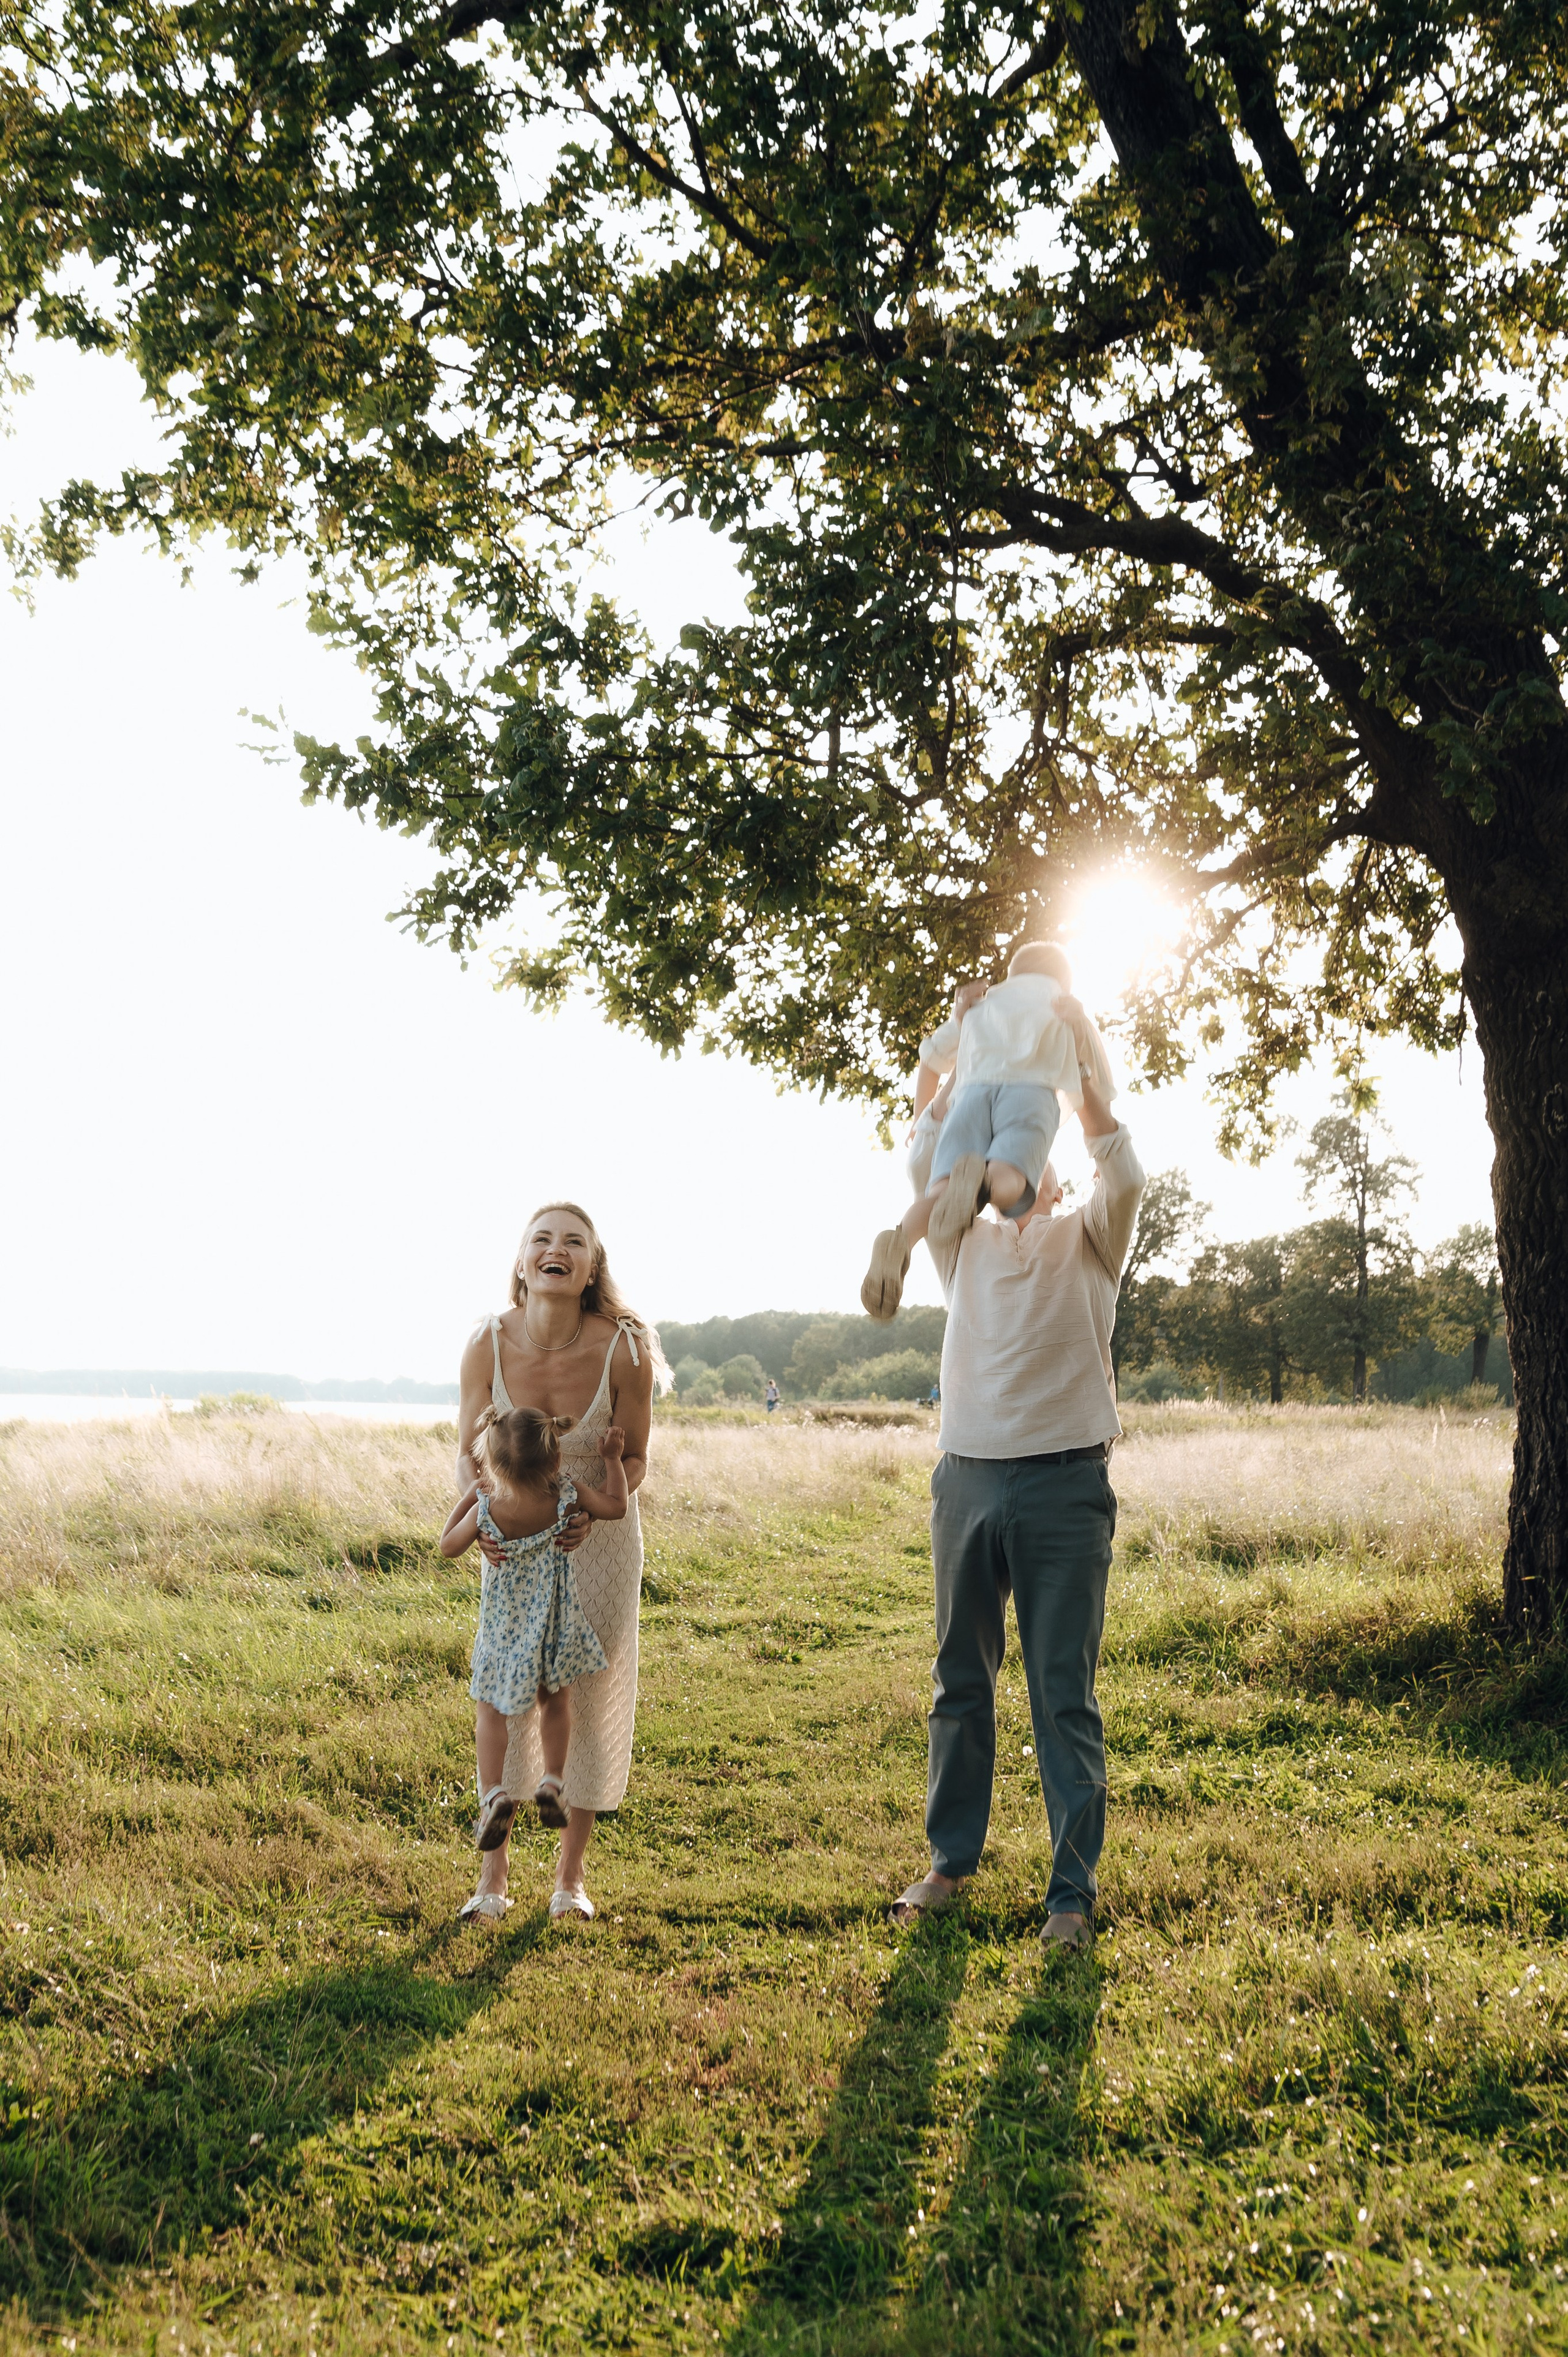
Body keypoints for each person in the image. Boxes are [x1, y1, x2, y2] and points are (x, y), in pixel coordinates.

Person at [888, 1058, 1144, 1952]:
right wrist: (944, 1074)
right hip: (967, 1479)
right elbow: (927, 1169)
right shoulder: (963, 1245)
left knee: (1061, 1693)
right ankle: (948, 1866)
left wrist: (1076, 1083)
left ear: (1054, 1171)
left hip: (1066, 1485)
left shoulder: (1093, 1236)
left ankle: (1070, 1896)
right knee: (961, 1683)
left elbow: (1128, 1172)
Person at [454, 1202, 665, 1923]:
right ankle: (492, 1878)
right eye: (540, 1238)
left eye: (574, 1241)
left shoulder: (624, 1347)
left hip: (597, 1539)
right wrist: (481, 1516)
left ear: (590, 1267)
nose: (556, 1248)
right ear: (520, 1263)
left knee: (586, 1694)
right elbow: (466, 1451)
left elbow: (634, 1455)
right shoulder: (485, 1341)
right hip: (512, 1543)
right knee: (508, 1693)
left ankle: (570, 1879)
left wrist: (595, 1495)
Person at [442, 1406, 630, 1923]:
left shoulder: (487, 1506)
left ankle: (495, 1792)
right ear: (554, 1458)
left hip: (505, 1635)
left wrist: (473, 1494)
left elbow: (445, 1546)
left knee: (491, 1713)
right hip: (556, 1628)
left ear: (493, 1465)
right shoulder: (566, 1496)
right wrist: (612, 1458)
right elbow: (615, 1506)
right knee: (557, 1704)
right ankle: (551, 1780)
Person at [861, 943, 1115, 1319]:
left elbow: (930, 1058)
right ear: (1064, 983)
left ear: (1011, 976)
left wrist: (921, 1120)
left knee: (942, 1192)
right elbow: (1101, 1086)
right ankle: (983, 1185)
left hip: (970, 1096)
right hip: (1030, 1092)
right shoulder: (1065, 1006)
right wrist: (1101, 1156)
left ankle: (901, 1240)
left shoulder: (981, 1004)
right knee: (1010, 1177)